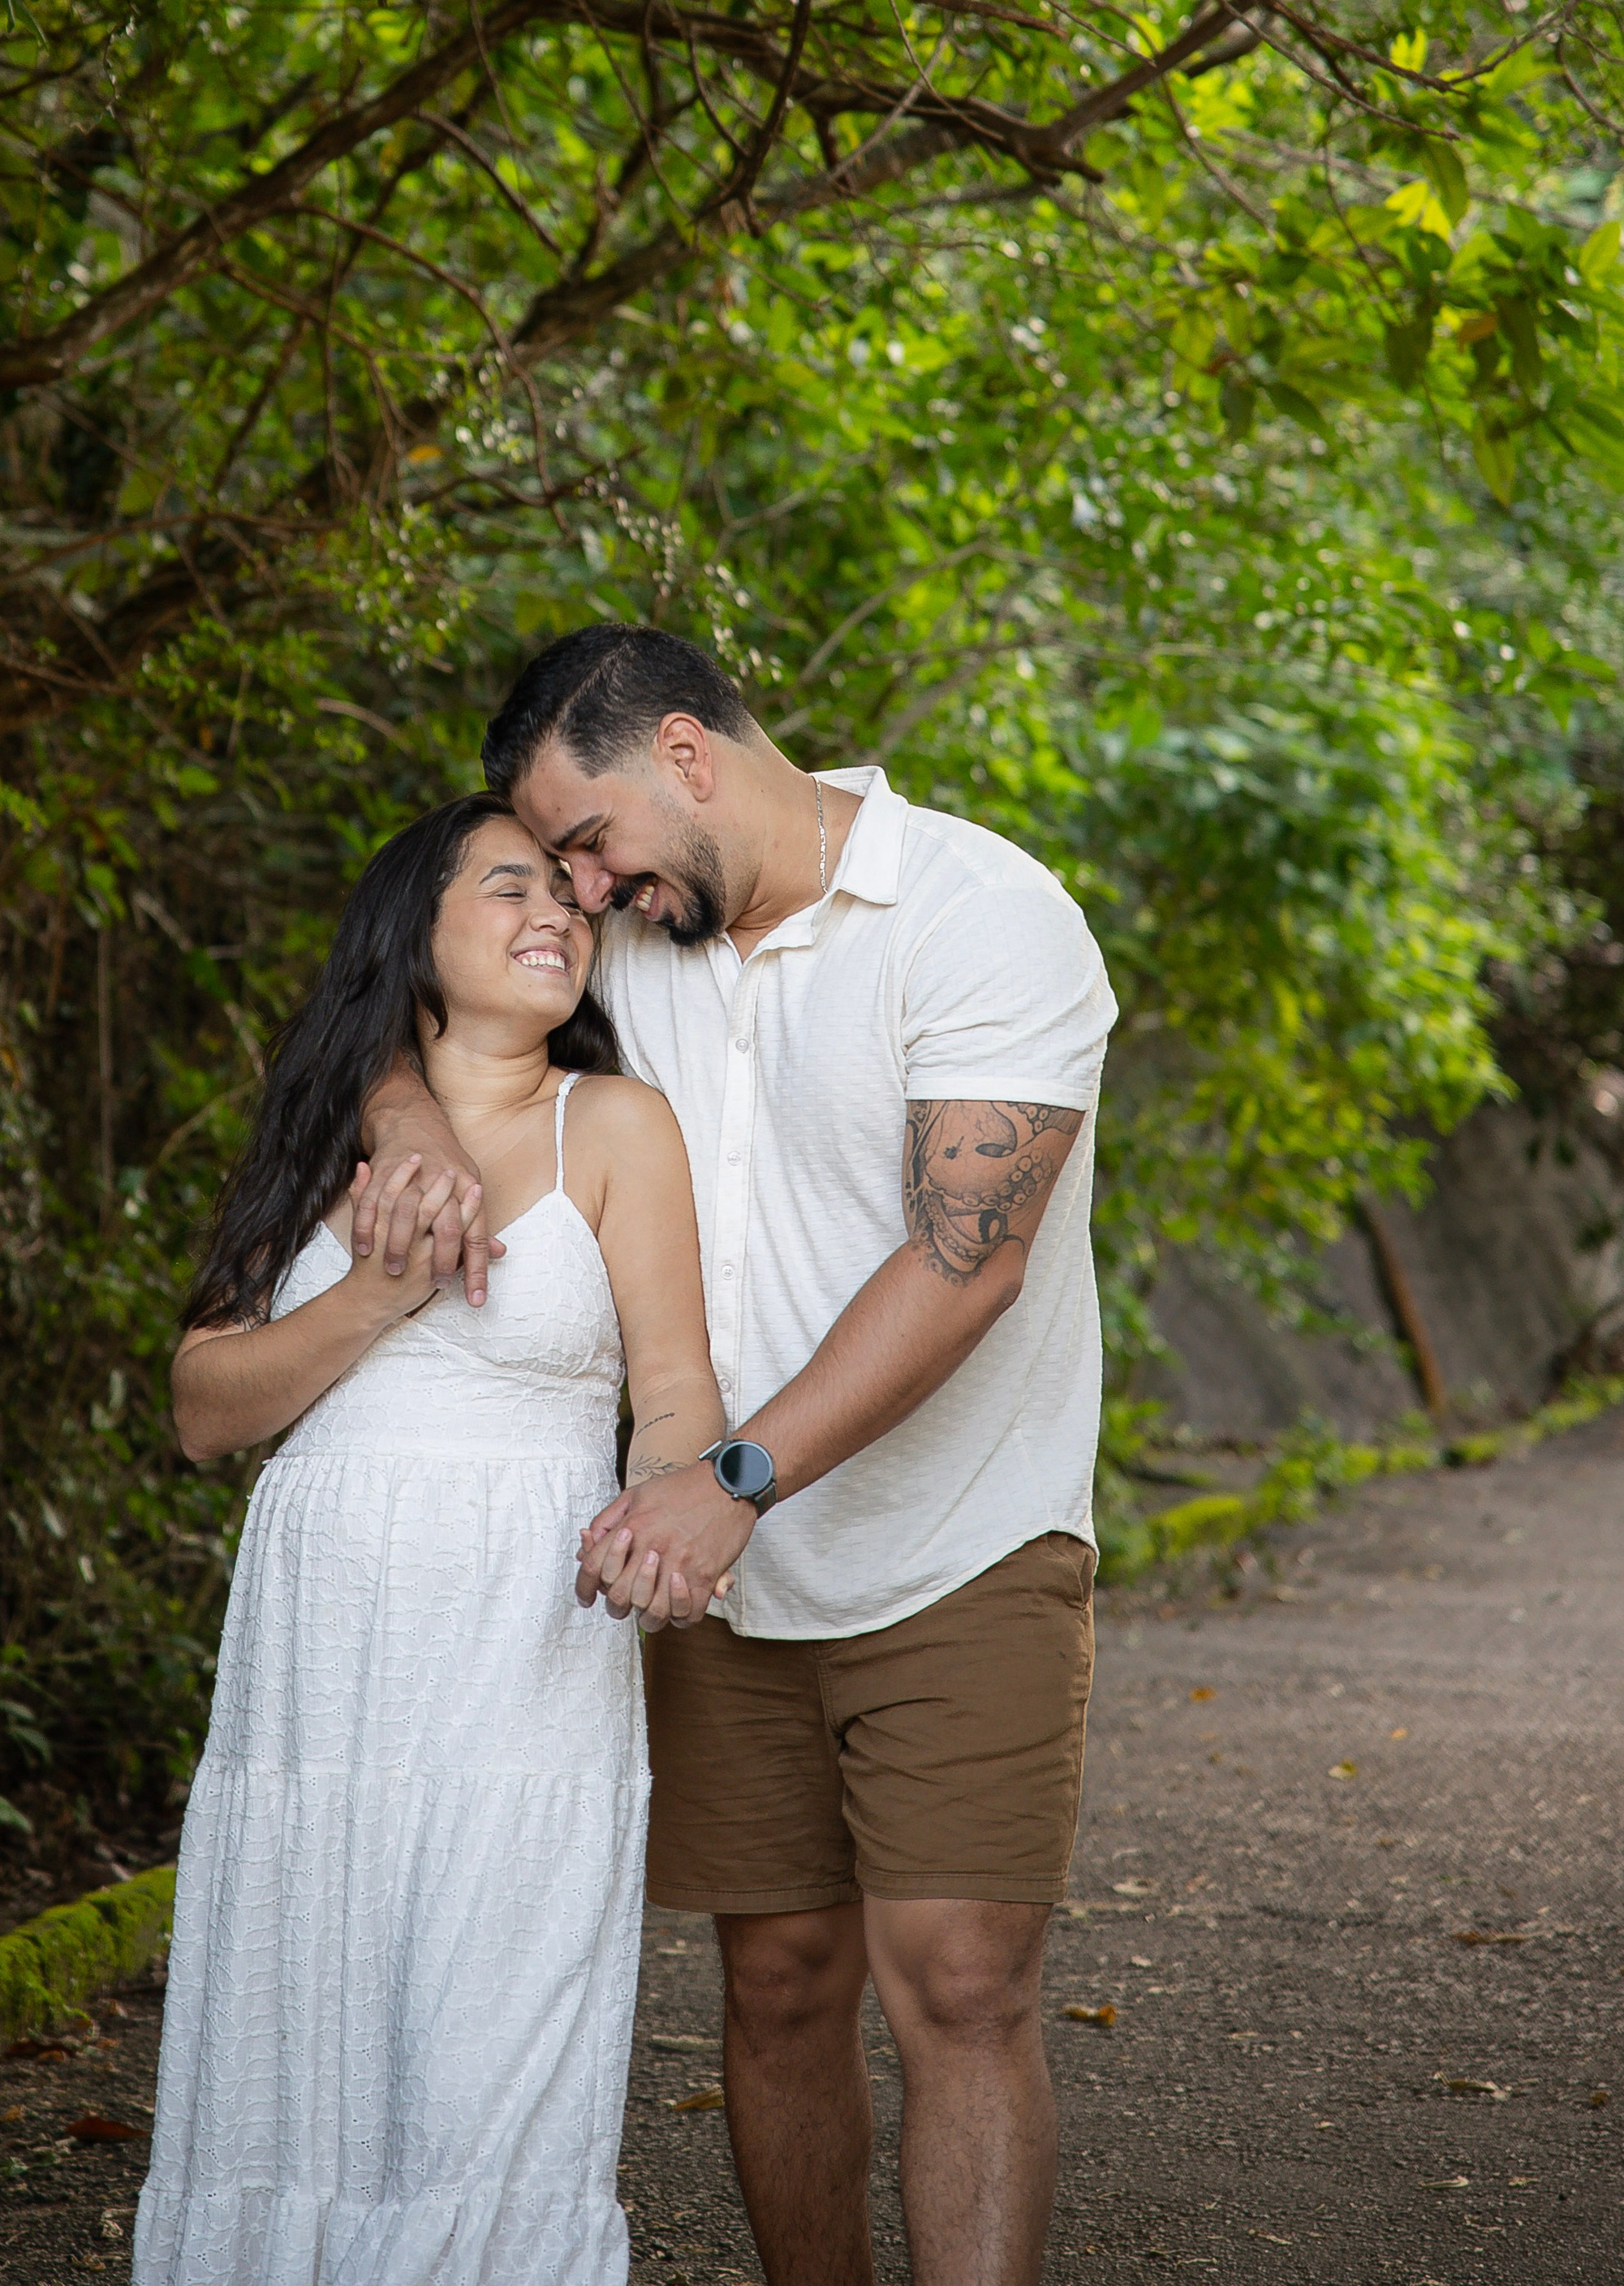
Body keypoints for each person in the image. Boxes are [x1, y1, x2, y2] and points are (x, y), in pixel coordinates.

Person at [360, 630, 1117, 2286]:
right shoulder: (637, 943)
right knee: (774, 1986)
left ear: (685, 756)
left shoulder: (983, 918)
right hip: (717, 1579)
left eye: (585, 838)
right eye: (552, 863)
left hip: (960, 1545)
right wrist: (410, 1128)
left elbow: (963, 1258)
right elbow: (405, 1009)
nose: (575, 888)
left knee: (964, 1985)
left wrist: (730, 1482)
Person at [134, 791, 723, 2286]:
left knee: (494, 2044)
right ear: (414, 933)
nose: (557, 914)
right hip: (323, 1669)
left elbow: (672, 1396)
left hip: (520, 1650)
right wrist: (379, 1293)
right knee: (303, 2036)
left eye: (571, 897)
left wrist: (668, 1517)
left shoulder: (615, 1125)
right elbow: (204, 1407)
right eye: (508, 887)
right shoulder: (329, 1124)